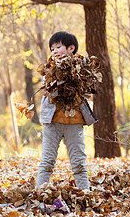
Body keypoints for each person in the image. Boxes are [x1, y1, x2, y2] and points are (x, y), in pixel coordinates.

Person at [36, 31, 97, 191]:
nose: (54, 51)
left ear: (71, 48)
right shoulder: (48, 71)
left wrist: (75, 77)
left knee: (78, 163)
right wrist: (59, 78)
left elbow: (88, 89)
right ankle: (39, 194)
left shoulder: (83, 70)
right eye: (52, 49)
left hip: (74, 124)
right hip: (52, 123)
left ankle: (85, 194)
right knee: (47, 161)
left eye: (58, 47)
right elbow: (51, 92)